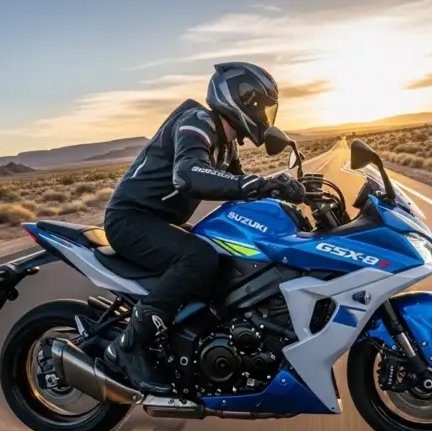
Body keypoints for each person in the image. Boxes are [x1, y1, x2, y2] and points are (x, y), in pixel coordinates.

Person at [102, 61, 306, 394]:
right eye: (261, 108)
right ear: (240, 99)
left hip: (158, 221)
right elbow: (188, 173)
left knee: (228, 258)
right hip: (130, 219)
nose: (265, 117)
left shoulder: (227, 145)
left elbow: (237, 189)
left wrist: (288, 194)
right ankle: (128, 347)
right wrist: (257, 184)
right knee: (199, 257)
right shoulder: (196, 121)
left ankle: (192, 340)